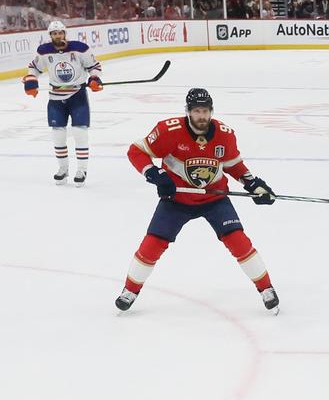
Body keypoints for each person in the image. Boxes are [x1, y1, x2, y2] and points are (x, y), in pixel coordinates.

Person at [119, 88, 279, 313]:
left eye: (205, 111)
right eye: (196, 111)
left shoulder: (225, 133)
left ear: (211, 111)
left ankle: (266, 289)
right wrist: (155, 174)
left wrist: (252, 183)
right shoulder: (168, 130)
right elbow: (136, 151)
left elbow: (233, 164)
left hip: (214, 198)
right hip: (176, 199)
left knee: (238, 241)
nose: (201, 116)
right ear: (188, 112)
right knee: (152, 245)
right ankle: (130, 290)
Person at [22, 20, 101, 185]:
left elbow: (94, 66)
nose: (58, 36)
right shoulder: (44, 51)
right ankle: (63, 169)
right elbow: (34, 68)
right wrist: (31, 81)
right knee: (58, 135)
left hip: (77, 95)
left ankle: (81, 170)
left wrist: (94, 78)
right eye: (54, 33)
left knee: (80, 133)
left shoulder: (80, 48)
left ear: (65, 33)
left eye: (60, 33)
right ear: (50, 35)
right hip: (55, 98)